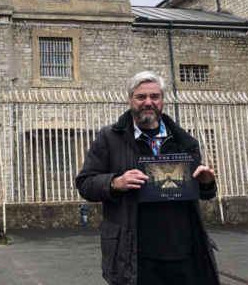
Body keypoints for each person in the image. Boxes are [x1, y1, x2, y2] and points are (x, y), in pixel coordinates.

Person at [76, 71, 220, 285]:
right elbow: (85, 183)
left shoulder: (183, 140)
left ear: (162, 100)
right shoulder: (109, 137)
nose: (148, 102)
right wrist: (115, 183)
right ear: (130, 100)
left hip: (184, 252)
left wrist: (206, 184)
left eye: (154, 96)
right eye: (141, 97)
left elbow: (200, 192)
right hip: (135, 255)